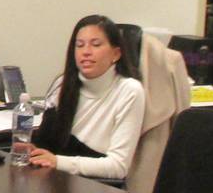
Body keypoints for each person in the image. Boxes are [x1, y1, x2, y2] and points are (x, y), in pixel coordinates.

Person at [29, 14, 145, 180]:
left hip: (92, 190)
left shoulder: (129, 91)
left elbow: (118, 166)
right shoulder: (63, 84)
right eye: (79, 45)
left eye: (96, 45)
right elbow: (46, 145)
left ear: (116, 53)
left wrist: (57, 161)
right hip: (51, 180)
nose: (86, 52)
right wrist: (32, 150)